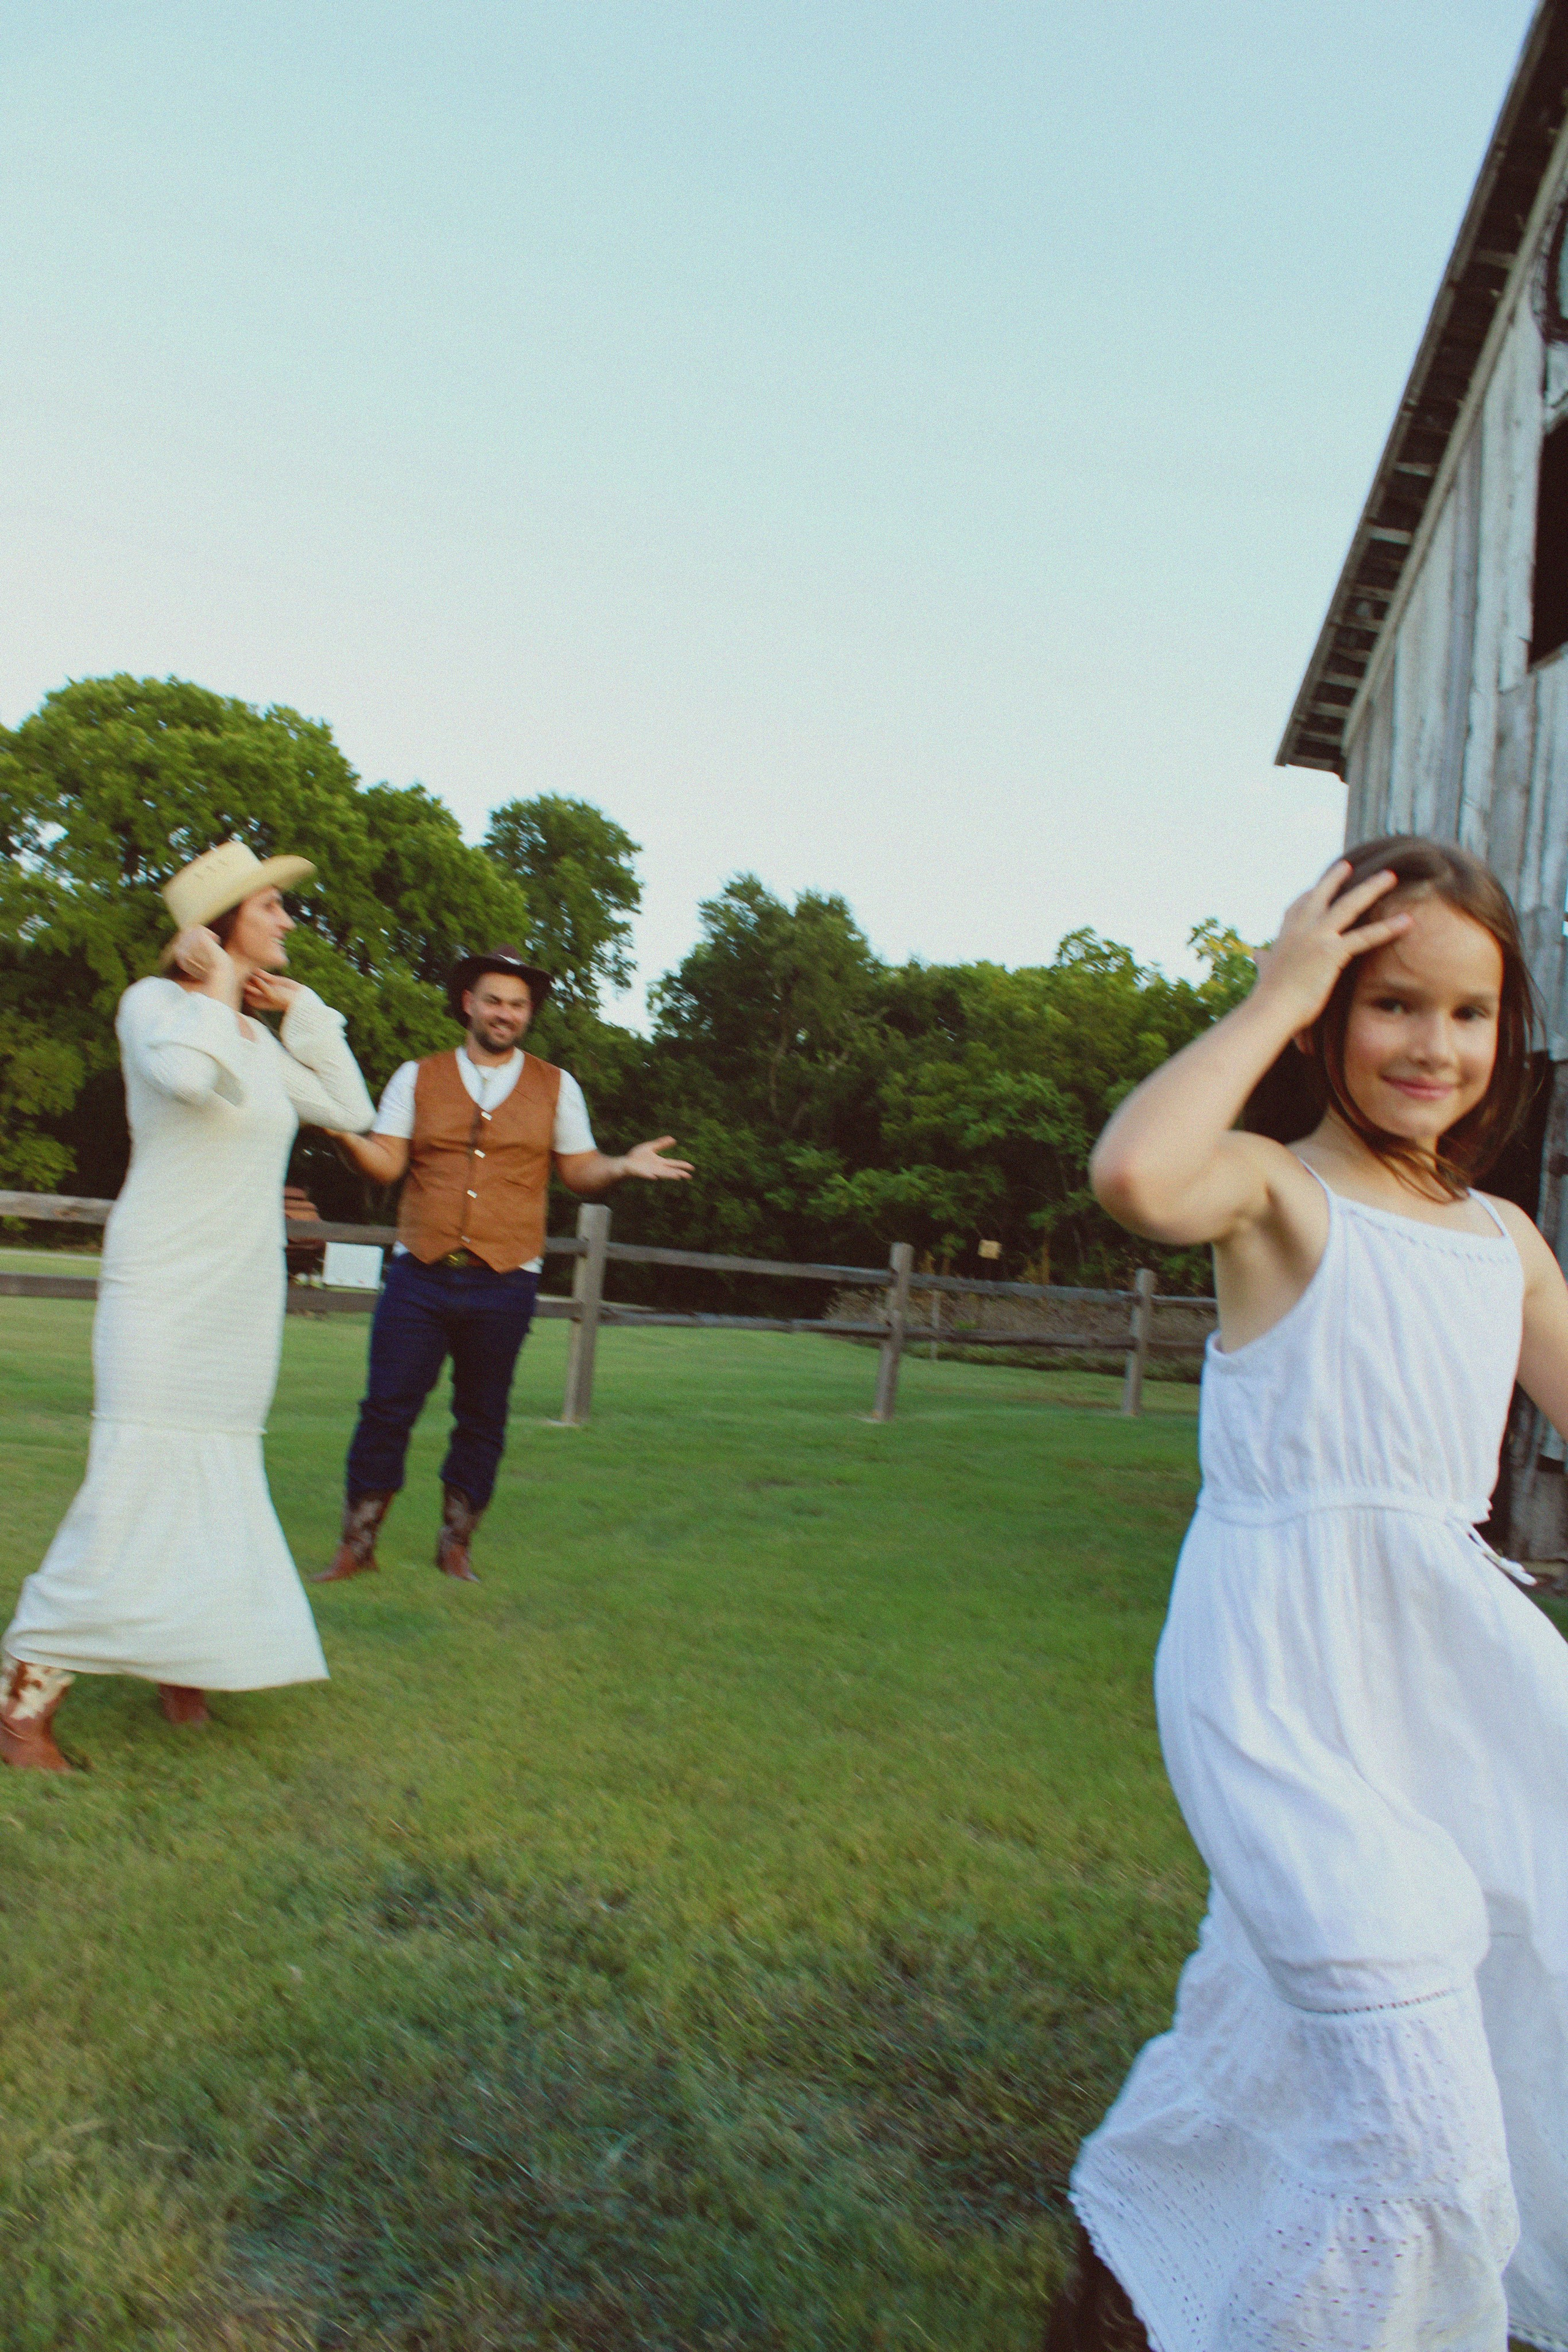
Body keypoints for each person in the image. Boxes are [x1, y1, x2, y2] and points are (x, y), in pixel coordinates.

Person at [1052, 838, 1568, 2350]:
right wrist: (1272, 987)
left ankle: (1127, 2264)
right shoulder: (1273, 1196)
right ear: (1329, 1015)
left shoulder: (1501, 1241)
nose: (1432, 1045)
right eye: (1389, 1003)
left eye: (1467, 1014)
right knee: (1414, 2114)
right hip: (1281, 1683)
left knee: (1358, 2013)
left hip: (1449, 1679)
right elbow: (1136, 1171)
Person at [1, 840, 376, 1771]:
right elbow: (184, 1081)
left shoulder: (251, 1032)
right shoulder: (155, 1007)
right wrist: (212, 990)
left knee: (216, 1473)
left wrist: (303, 1011)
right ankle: (24, 1693)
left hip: (242, 1289)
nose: (289, 920)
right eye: (270, 909)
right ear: (219, 926)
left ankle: (186, 1663)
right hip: (164, 1280)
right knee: (140, 1473)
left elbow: (352, 1109)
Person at [320, 946, 692, 1585]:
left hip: (505, 1279)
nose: (506, 1014)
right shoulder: (417, 1076)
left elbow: (578, 1170)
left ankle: (456, 1544)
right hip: (420, 1273)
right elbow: (386, 1162)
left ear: (528, 1014)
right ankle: (359, 1542)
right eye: (494, 1000)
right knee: (386, 1407)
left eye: (518, 1005)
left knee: (483, 1414)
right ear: (468, 1004)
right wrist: (343, 1137)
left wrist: (621, 1166)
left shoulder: (556, 1086)